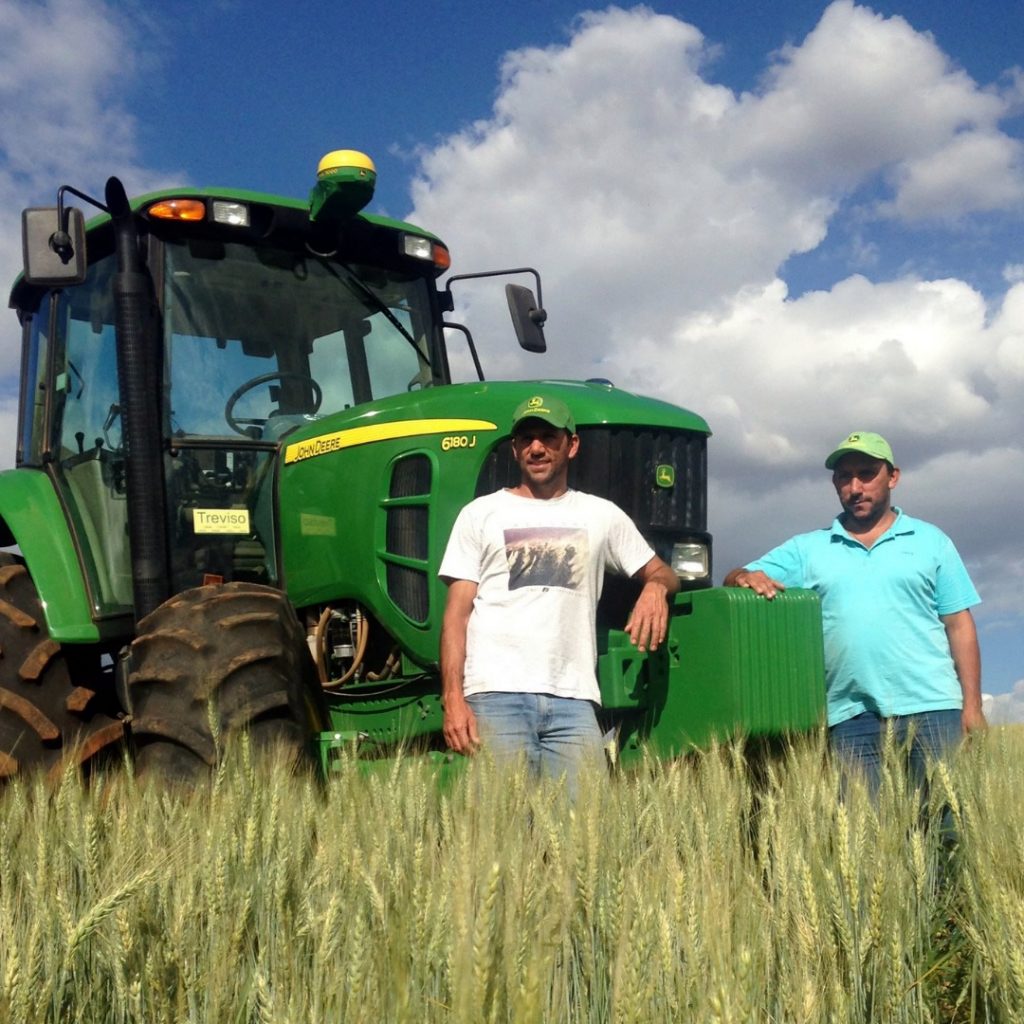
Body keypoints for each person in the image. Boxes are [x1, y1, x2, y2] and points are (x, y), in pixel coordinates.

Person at [438, 394, 679, 786]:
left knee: (586, 836)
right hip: (496, 696)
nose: (537, 448)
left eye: (548, 437)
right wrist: (453, 699)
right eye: (527, 438)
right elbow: (456, 615)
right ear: (515, 449)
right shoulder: (480, 514)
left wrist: (655, 588)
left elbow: (664, 572)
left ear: (572, 445)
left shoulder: (601, 515)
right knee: (503, 837)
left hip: (574, 701)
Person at [723, 431, 985, 785]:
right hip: (850, 715)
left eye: (866, 474)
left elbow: (959, 625)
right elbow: (736, 576)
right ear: (835, 485)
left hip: (932, 706)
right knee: (865, 832)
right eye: (845, 477)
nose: (855, 487)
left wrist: (972, 706)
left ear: (893, 477)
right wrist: (744, 577)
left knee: (943, 829)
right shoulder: (808, 548)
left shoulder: (932, 541)